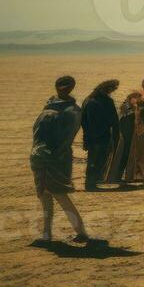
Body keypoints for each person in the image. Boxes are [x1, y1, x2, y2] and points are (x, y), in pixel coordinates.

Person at [30, 75, 90, 246]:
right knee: (45, 195)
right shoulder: (62, 107)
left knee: (58, 195)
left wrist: (49, 152)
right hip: (44, 156)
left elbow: (63, 137)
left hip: (54, 156)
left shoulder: (70, 111)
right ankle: (47, 234)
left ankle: (80, 232)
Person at [79, 79, 119, 191]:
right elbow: (114, 121)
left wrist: (86, 138)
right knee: (99, 160)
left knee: (92, 160)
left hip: (91, 136)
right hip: (102, 136)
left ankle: (90, 183)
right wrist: (116, 136)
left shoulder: (88, 100)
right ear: (108, 89)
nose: (113, 91)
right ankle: (93, 184)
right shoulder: (106, 101)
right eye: (113, 89)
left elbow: (83, 121)